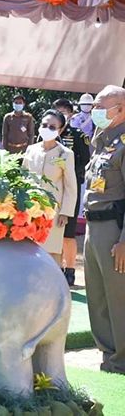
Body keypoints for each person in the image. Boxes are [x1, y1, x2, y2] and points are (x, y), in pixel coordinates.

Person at [81, 85, 125, 374]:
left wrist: (124, 240)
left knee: (119, 298)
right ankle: (109, 356)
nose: (95, 111)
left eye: (101, 107)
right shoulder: (101, 139)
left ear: (121, 109)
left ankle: (122, 359)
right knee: (97, 297)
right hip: (93, 226)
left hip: (113, 228)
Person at [22, 110, 77, 264]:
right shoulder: (31, 149)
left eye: (52, 127)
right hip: (29, 208)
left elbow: (70, 186)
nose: (47, 129)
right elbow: (23, 176)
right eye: (44, 125)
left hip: (53, 212)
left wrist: (65, 212)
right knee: (27, 249)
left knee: (51, 252)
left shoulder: (65, 154)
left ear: (61, 129)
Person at [54, 98, 91, 285]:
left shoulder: (77, 135)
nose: (61, 115)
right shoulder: (47, 134)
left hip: (71, 188)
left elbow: (85, 160)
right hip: (52, 188)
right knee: (53, 231)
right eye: (58, 111)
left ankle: (70, 270)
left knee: (68, 233)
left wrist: (70, 173)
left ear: (70, 114)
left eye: (64, 112)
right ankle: (55, 268)